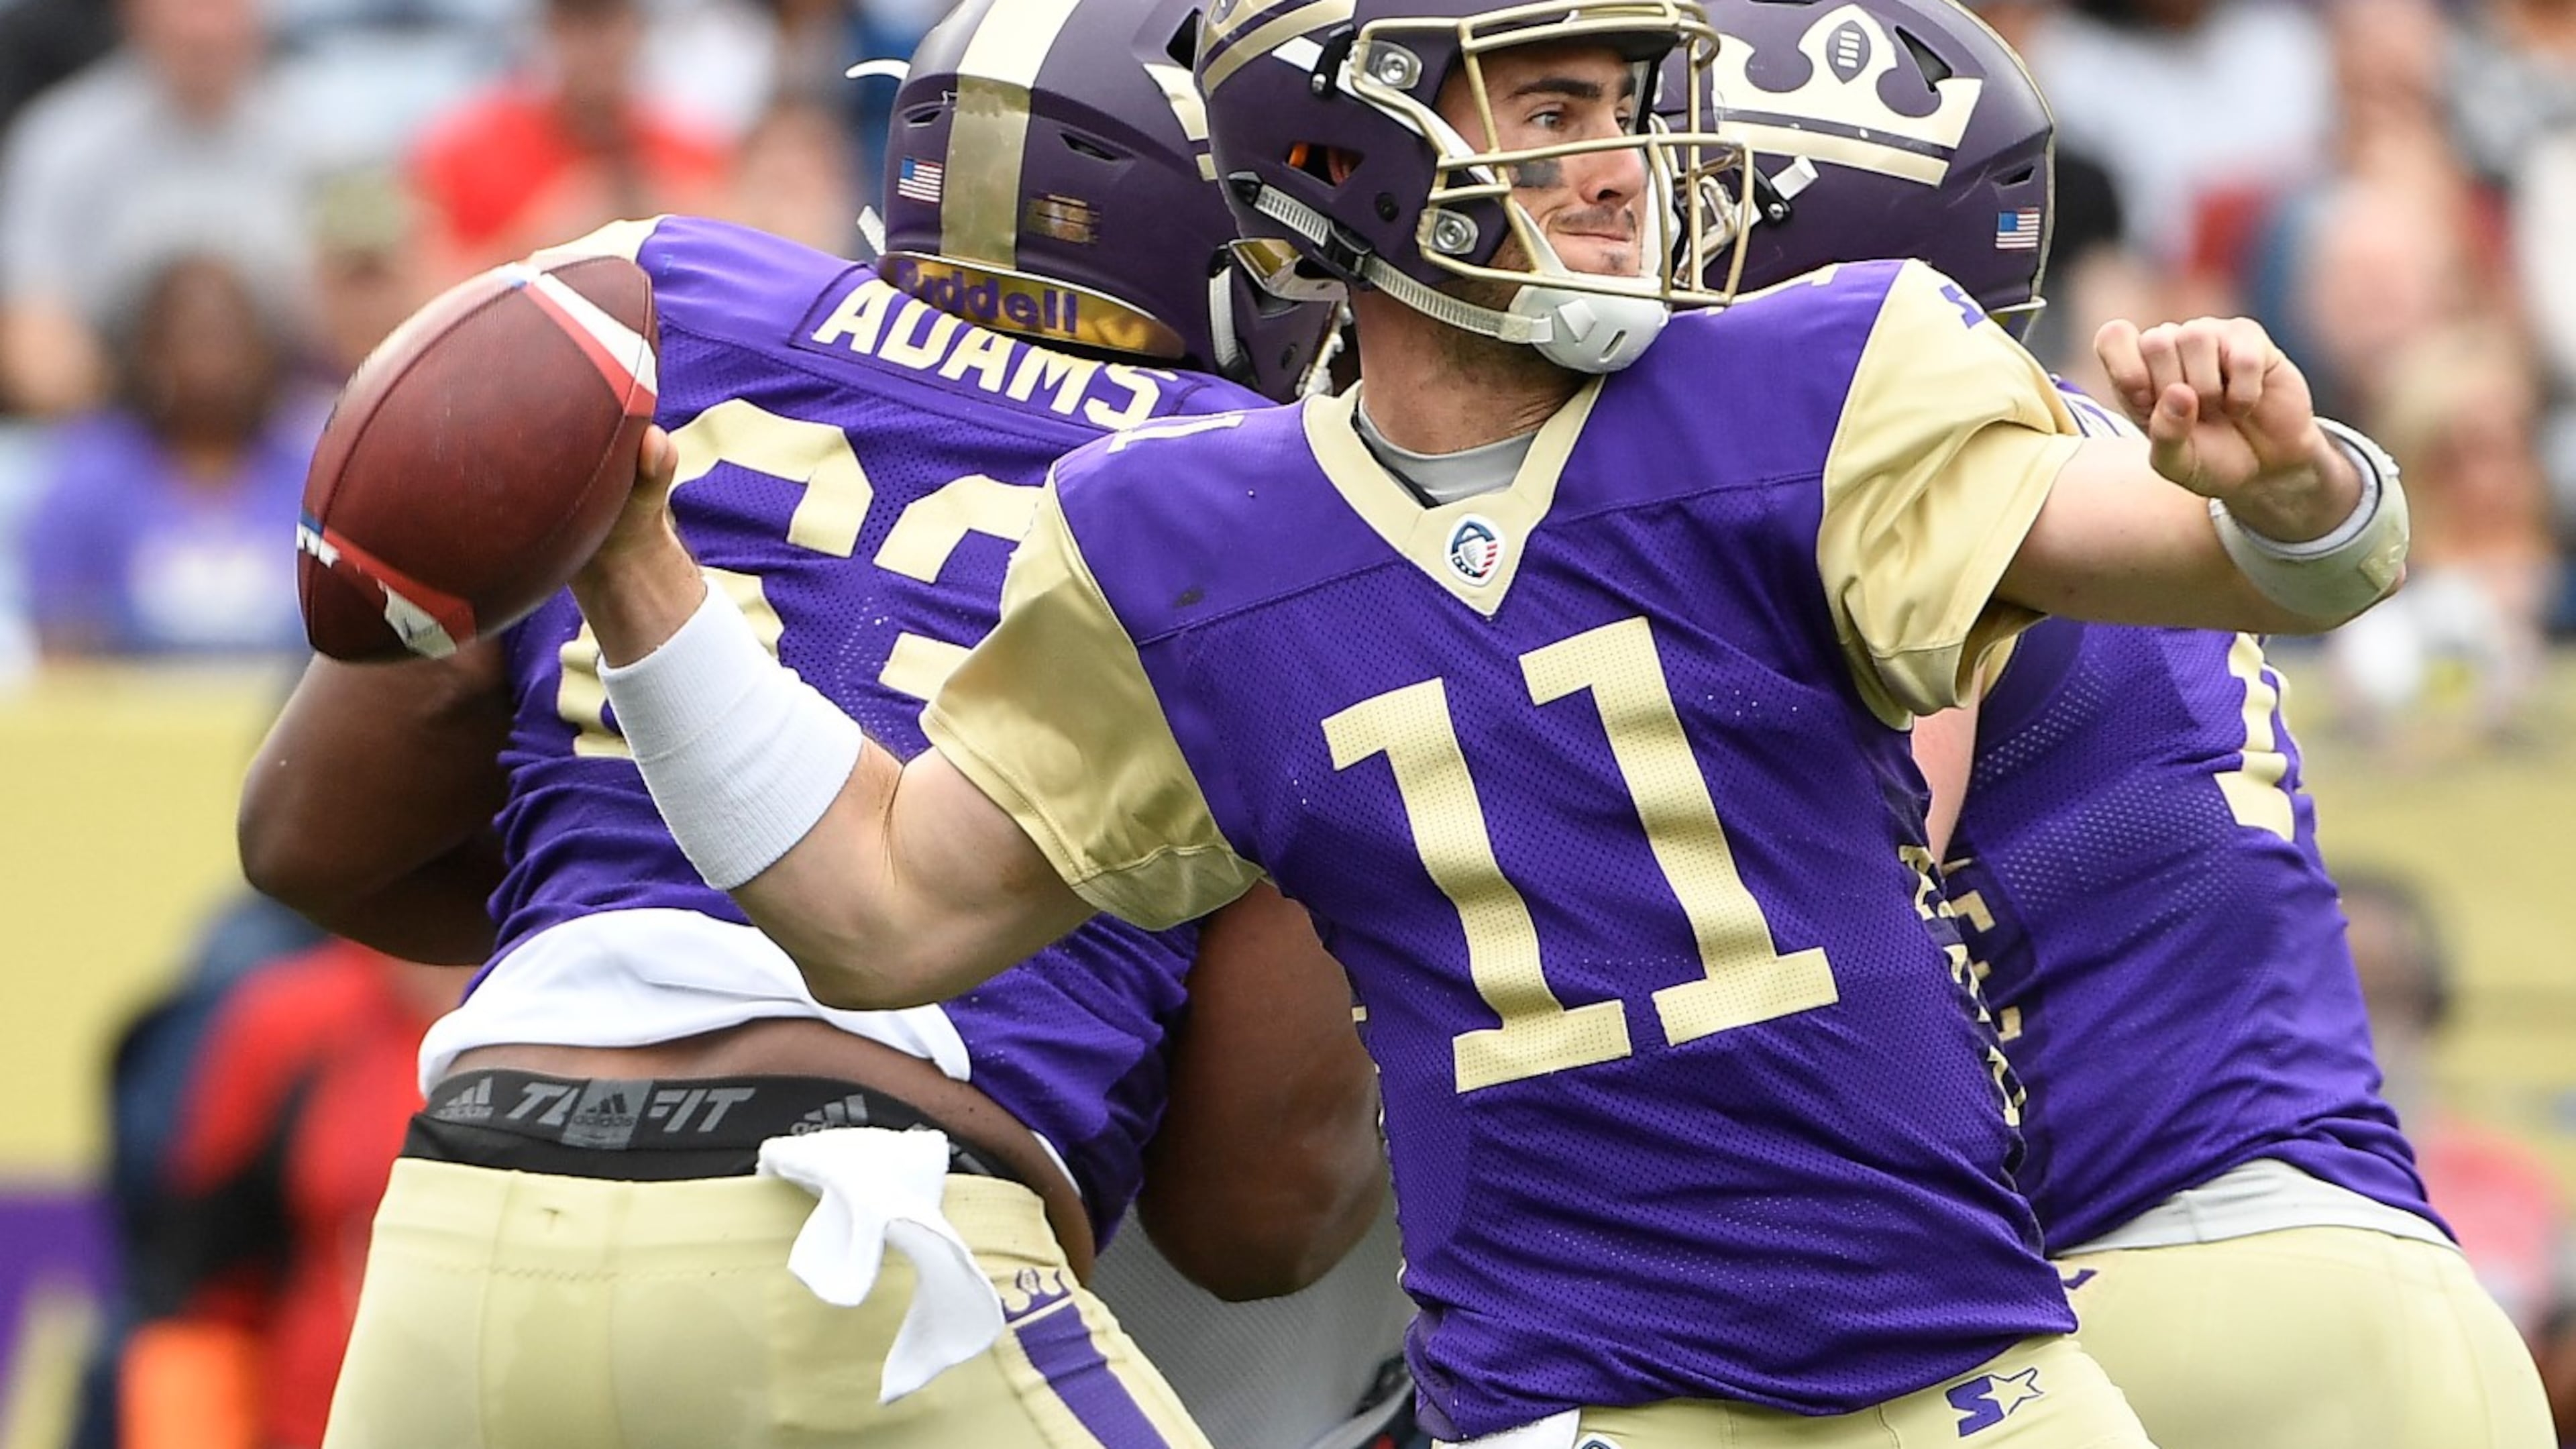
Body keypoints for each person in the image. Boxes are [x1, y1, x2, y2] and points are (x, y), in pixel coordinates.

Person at [566, 0, 2413, 1443]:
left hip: (1970, 1378)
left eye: (1624, 100)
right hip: (1566, 1401)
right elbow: (880, 912)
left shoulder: (1811, 375)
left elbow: (2270, 570)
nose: (1621, 160)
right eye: (1550, 107)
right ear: (1341, 141)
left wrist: (2290, 486)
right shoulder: (1177, 540)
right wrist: (637, 576)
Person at [235, 0, 1381, 1443]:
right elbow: (1259, 1217)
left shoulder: (654, 292)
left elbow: (308, 837)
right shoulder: (1286, 508)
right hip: (881, 1251)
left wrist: (642, 892)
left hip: (469, 1214)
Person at [1682, 1, 2553, 1443]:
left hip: (2149, 1291)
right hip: (2361, 1278)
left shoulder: (1899, 470)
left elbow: (1861, 905)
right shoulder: (2069, 446)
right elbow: (2325, 544)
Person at [19, 254, 324, 659]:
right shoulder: (89, 482)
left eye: (228, 336)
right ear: (148, 352)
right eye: (193, 336)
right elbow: (59, 639)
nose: (213, 360)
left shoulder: (316, 479)